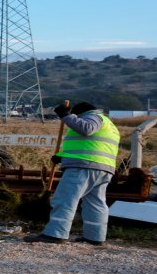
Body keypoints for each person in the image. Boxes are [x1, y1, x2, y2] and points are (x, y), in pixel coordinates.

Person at [24, 102, 120, 246]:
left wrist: (66, 116)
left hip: (83, 166)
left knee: (65, 199)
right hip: (102, 168)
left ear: (80, 113)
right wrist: (62, 157)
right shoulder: (110, 125)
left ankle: (55, 234)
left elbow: (86, 129)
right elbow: (89, 144)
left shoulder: (93, 118)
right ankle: (95, 237)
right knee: (95, 203)